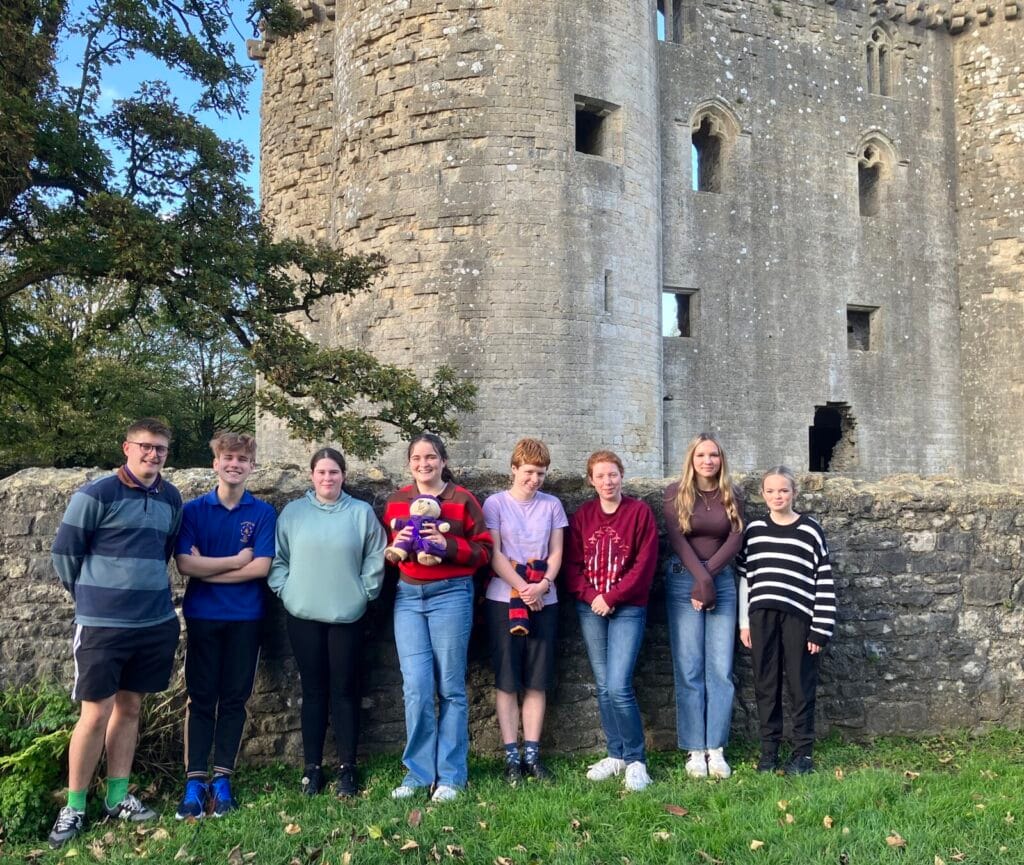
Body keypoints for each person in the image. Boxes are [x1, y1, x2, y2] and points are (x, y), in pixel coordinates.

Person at [48, 418, 183, 848]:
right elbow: (65, 555)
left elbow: (162, 552)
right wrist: (95, 599)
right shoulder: (96, 494)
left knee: (129, 709)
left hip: (152, 622)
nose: (153, 454)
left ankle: (118, 797)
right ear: (127, 447)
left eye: (160, 448)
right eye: (145, 446)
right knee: (95, 714)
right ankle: (74, 806)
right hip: (103, 626)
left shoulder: (171, 497)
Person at [268, 447, 386, 797]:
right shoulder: (294, 513)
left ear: (343, 476)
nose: (327, 478)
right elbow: (279, 557)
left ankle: (347, 768)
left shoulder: (361, 513)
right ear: (311, 476)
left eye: (333, 472)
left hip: (346, 615)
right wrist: (285, 591)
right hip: (303, 614)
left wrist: (364, 592)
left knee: (346, 691)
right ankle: (312, 769)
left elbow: (375, 556)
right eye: (321, 472)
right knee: (314, 692)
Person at [173, 432, 277, 819]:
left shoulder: (263, 512)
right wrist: (236, 561)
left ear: (251, 467)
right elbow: (185, 565)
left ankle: (222, 779)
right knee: (200, 699)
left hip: (245, 618)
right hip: (202, 616)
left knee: (235, 699)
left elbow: (262, 568)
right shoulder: (193, 511)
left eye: (242, 459)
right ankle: (194, 783)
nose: (234, 464)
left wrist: (209, 568)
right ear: (215, 463)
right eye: (227, 457)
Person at [384, 433, 492, 803]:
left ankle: (451, 776)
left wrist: (447, 546)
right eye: (416, 458)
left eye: (431, 457)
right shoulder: (397, 501)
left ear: (443, 461)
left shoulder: (462, 500)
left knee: (450, 687)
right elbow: (391, 547)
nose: (424, 464)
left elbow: (484, 552)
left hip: (451, 594)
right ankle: (417, 774)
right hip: (408, 598)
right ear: (409, 463)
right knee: (415, 687)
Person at [564, 450, 659, 792]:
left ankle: (636, 760)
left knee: (619, 685)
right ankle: (615, 753)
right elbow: (572, 566)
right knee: (603, 684)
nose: (608, 481)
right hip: (591, 608)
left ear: (622, 476)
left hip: (628, 607)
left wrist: (612, 597)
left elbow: (644, 565)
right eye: (601, 476)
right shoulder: (584, 516)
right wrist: (592, 597)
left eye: (613, 475)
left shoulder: (639, 513)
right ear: (591, 480)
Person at [737, 466, 836, 775]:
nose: (777, 496)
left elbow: (824, 581)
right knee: (766, 685)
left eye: (783, 490)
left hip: (800, 618)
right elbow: (745, 579)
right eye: (770, 490)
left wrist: (820, 629)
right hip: (761, 617)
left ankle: (802, 753)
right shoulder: (753, 531)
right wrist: (743, 622)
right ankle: (769, 752)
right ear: (762, 494)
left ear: (794, 493)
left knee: (800, 684)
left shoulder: (810, 530)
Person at [482, 438, 568, 784]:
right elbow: (494, 553)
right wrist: (522, 586)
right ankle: (511, 756)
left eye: (541, 474)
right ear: (514, 469)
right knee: (507, 680)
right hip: (504, 598)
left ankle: (533, 753)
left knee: (536, 679)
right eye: (529, 472)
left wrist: (543, 584)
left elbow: (556, 551)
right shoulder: (495, 504)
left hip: (544, 598)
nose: (535, 480)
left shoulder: (552, 506)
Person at [662, 433, 744, 779]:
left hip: (722, 581)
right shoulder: (675, 493)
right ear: (691, 459)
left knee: (720, 669)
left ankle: (716, 748)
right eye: (701, 455)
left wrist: (709, 578)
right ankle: (695, 749)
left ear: (720, 459)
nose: (708, 461)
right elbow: (677, 539)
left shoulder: (731, 494)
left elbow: (736, 537)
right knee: (690, 666)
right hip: (684, 580)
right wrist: (700, 579)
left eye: (713, 455)